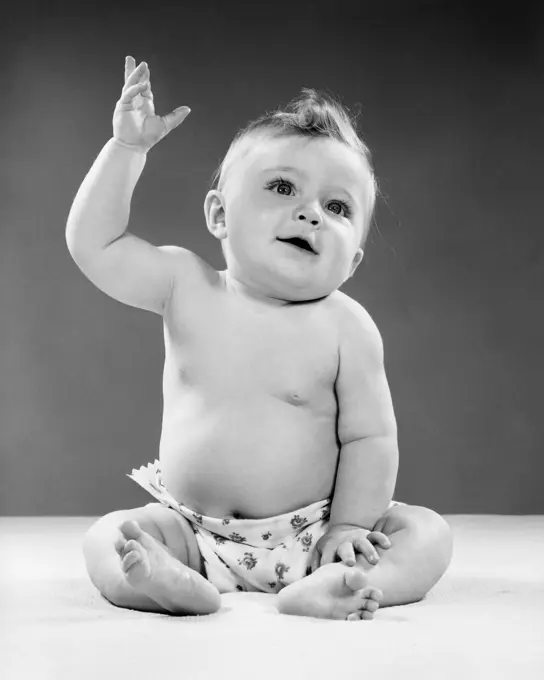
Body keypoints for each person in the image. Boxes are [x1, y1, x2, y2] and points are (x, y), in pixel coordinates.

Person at [68, 56, 453, 621]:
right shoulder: (187, 285)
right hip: (194, 533)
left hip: (318, 534)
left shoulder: (346, 326)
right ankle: (172, 585)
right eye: (282, 187)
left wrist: (348, 527)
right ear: (220, 215)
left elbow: (371, 438)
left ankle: (337, 584)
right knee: (110, 536)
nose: (311, 213)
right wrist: (127, 150)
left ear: (353, 262)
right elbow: (93, 245)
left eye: (338, 207)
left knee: (427, 533)